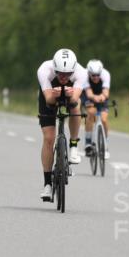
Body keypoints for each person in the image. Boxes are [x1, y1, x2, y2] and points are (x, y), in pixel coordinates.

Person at [37, 48, 88, 200]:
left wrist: (68, 94)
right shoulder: (44, 70)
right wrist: (55, 94)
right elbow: (48, 100)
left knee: (76, 106)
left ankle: (73, 145)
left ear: (73, 70)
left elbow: (74, 99)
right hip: (49, 95)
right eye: (60, 73)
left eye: (68, 74)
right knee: (48, 138)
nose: (64, 77)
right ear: (54, 68)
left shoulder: (81, 72)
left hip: (72, 95)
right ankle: (47, 184)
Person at [82, 59, 111, 160]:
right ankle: (88, 142)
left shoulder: (106, 74)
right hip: (88, 96)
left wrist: (102, 97)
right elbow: (89, 93)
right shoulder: (84, 75)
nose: (96, 77)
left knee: (104, 119)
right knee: (91, 113)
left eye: (98, 75)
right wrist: (95, 98)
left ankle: (106, 147)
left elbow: (106, 92)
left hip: (101, 95)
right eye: (93, 75)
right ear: (89, 73)